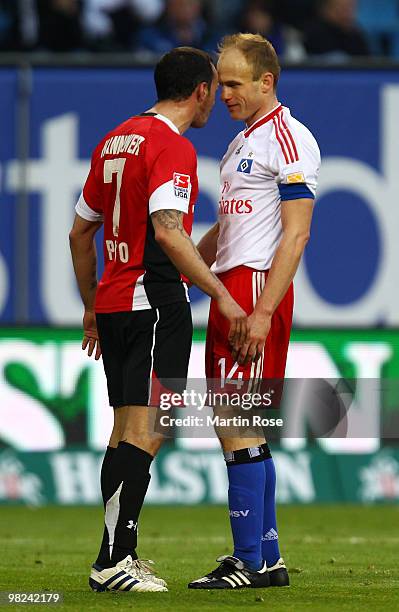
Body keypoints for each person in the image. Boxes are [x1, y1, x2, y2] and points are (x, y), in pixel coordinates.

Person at [69, 46, 247, 594]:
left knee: (125, 430)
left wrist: (92, 307)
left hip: (116, 303)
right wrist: (220, 292)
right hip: (154, 303)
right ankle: (114, 561)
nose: (215, 100)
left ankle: (116, 557)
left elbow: (80, 231)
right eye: (213, 89)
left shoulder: (114, 140)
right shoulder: (172, 147)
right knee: (150, 430)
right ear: (198, 90)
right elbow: (168, 231)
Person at [188, 33, 320, 589]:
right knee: (242, 424)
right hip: (232, 284)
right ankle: (267, 556)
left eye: (235, 84)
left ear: (268, 81)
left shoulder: (289, 141)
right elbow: (233, 227)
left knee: (236, 424)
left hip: (254, 289)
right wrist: (189, 259)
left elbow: (297, 234)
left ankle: (251, 560)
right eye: (221, 84)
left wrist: (262, 310)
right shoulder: (245, 141)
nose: (224, 94)